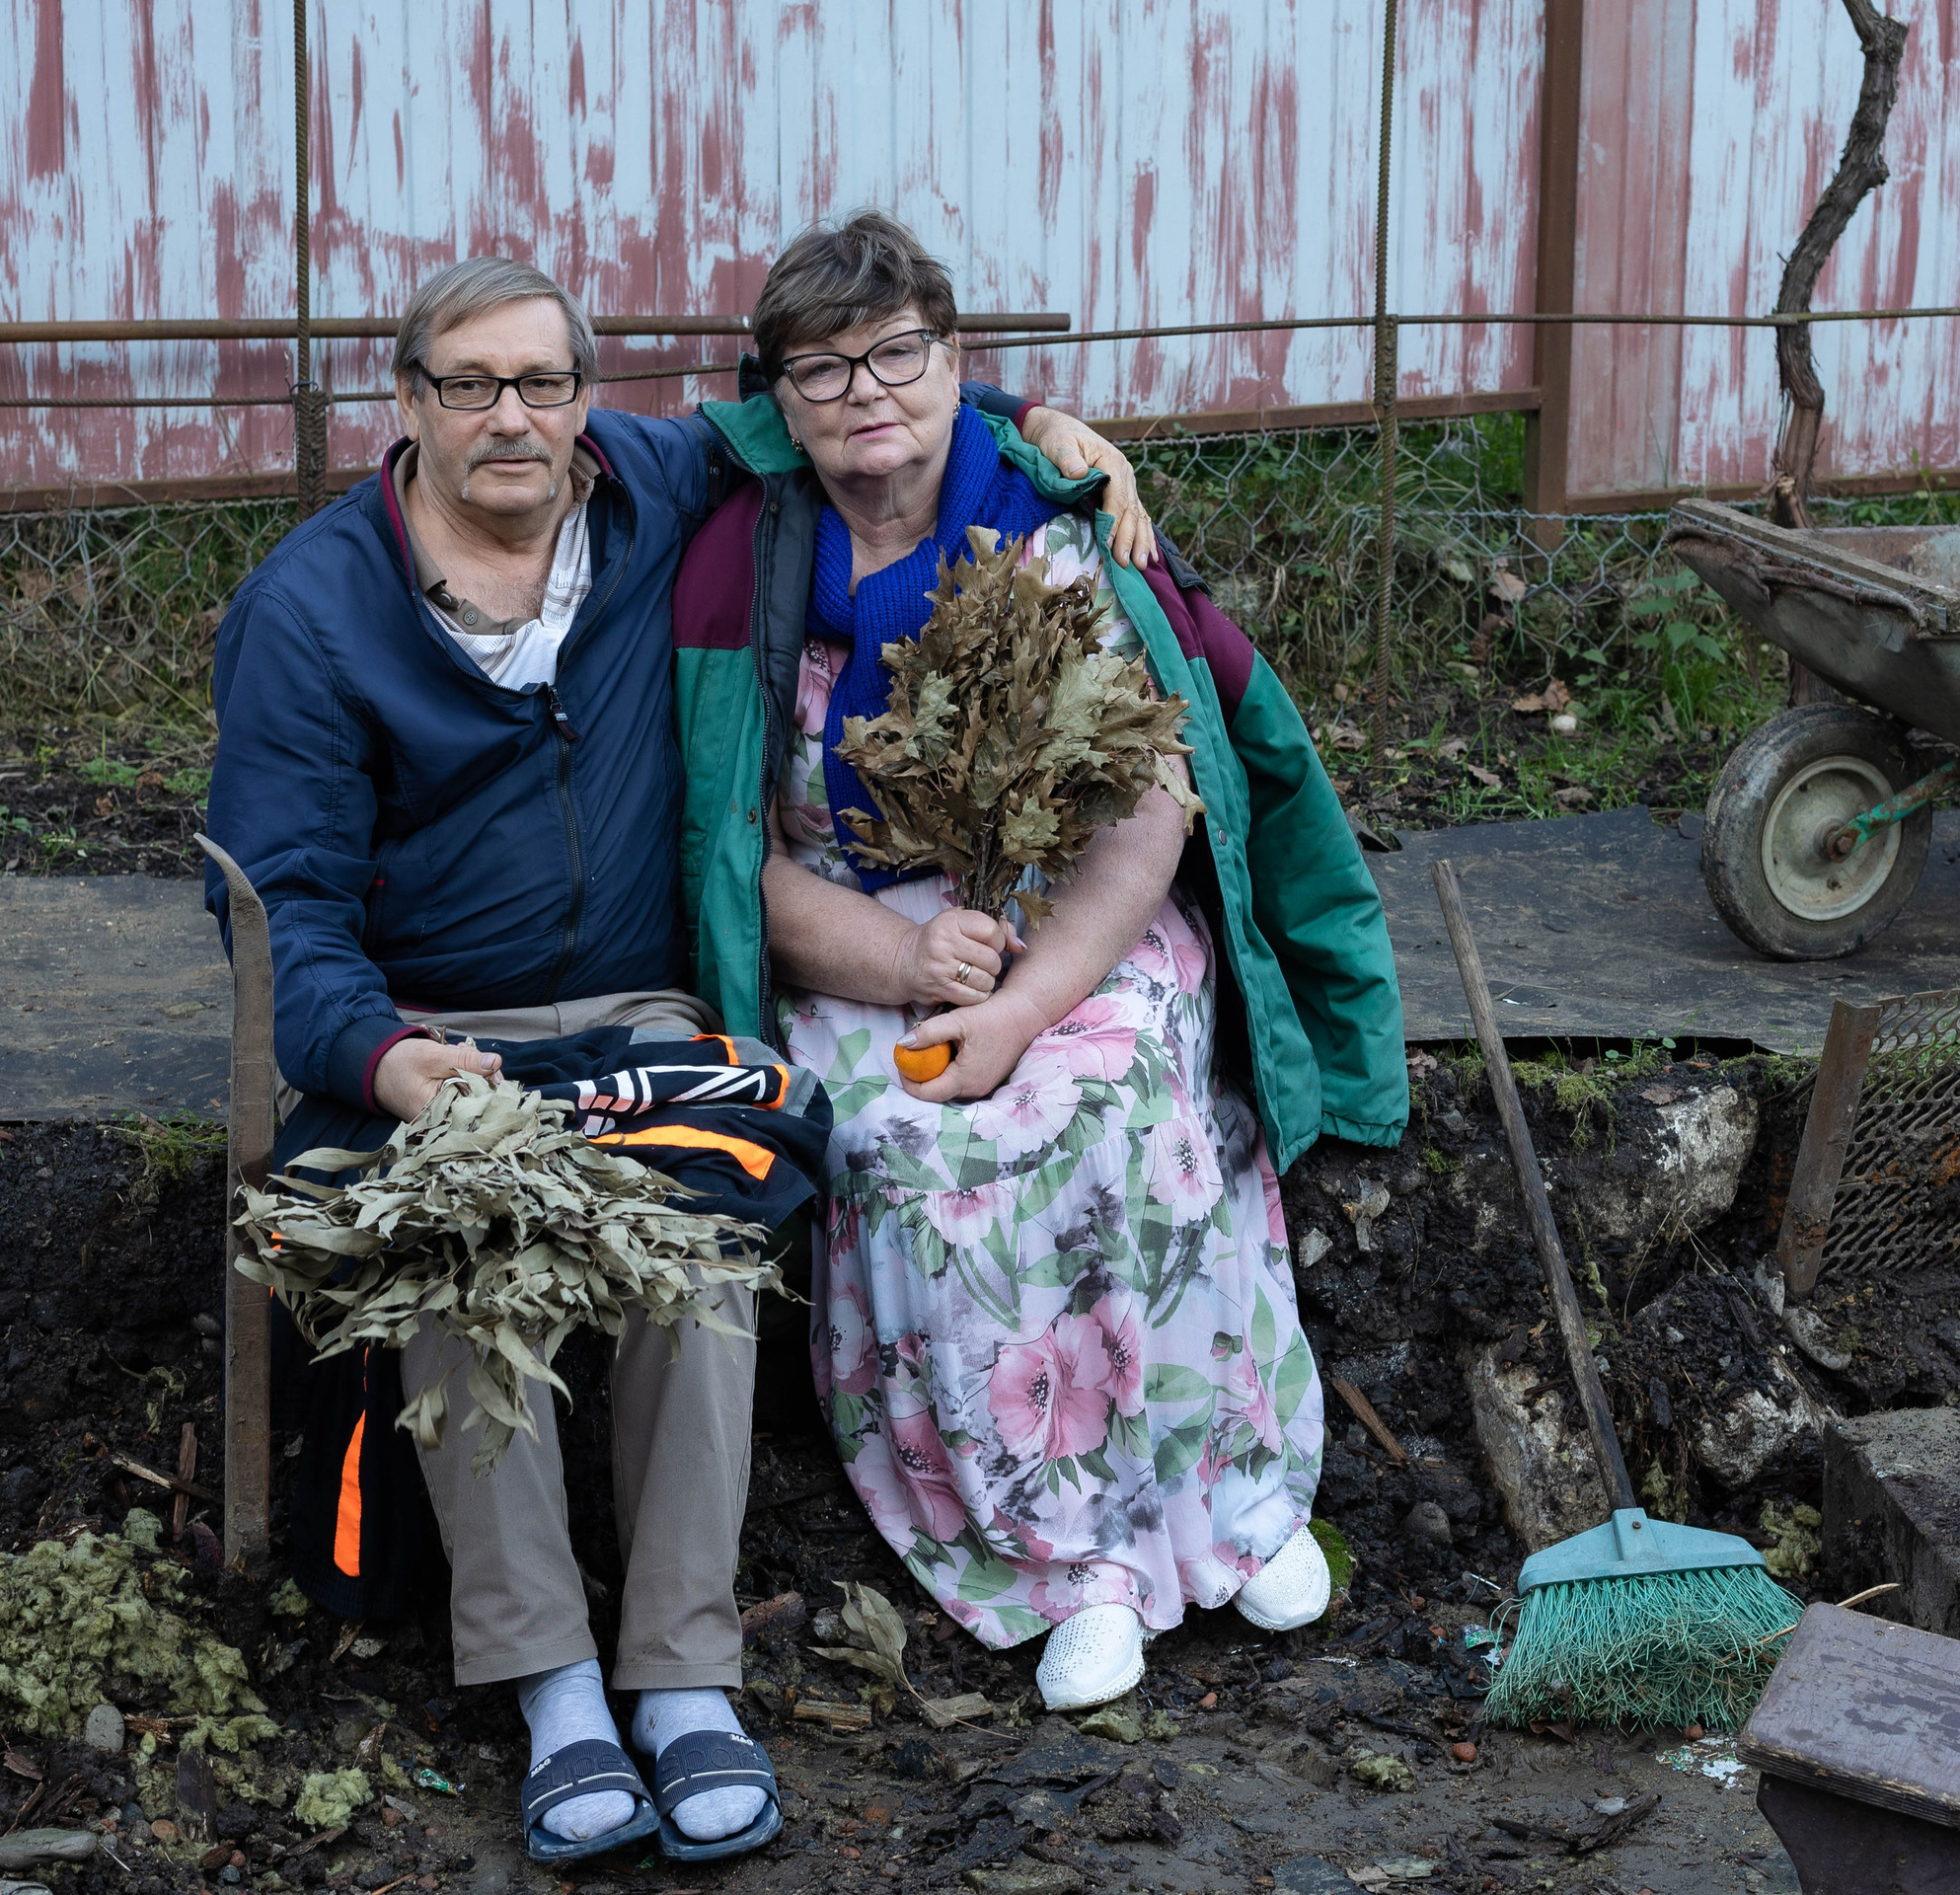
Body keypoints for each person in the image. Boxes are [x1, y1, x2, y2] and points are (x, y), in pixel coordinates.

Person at [205, 255, 1147, 1862]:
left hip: (640, 1017)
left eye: (544, 383)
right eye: (469, 385)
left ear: (590, 401)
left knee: (694, 1247)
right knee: (473, 1250)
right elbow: (278, 908)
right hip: (432, 1037)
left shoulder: (647, 485)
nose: (512, 418)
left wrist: (1044, 428)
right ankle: (555, 1688)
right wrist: (389, 1060)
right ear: (407, 400)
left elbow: (851, 402)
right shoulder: (311, 608)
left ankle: (684, 1683)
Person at [672, 211, 1406, 1711]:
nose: (867, 390)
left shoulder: (1050, 522)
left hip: (1072, 926)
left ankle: (1225, 1496)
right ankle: (1064, 1560)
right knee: (904, 1143)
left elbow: (1151, 797)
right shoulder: (739, 561)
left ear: (956, 362)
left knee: (1119, 1088)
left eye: (901, 354)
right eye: (824, 370)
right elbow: (728, 855)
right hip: (854, 935)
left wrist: (1020, 1000)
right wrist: (899, 954)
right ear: (778, 395)